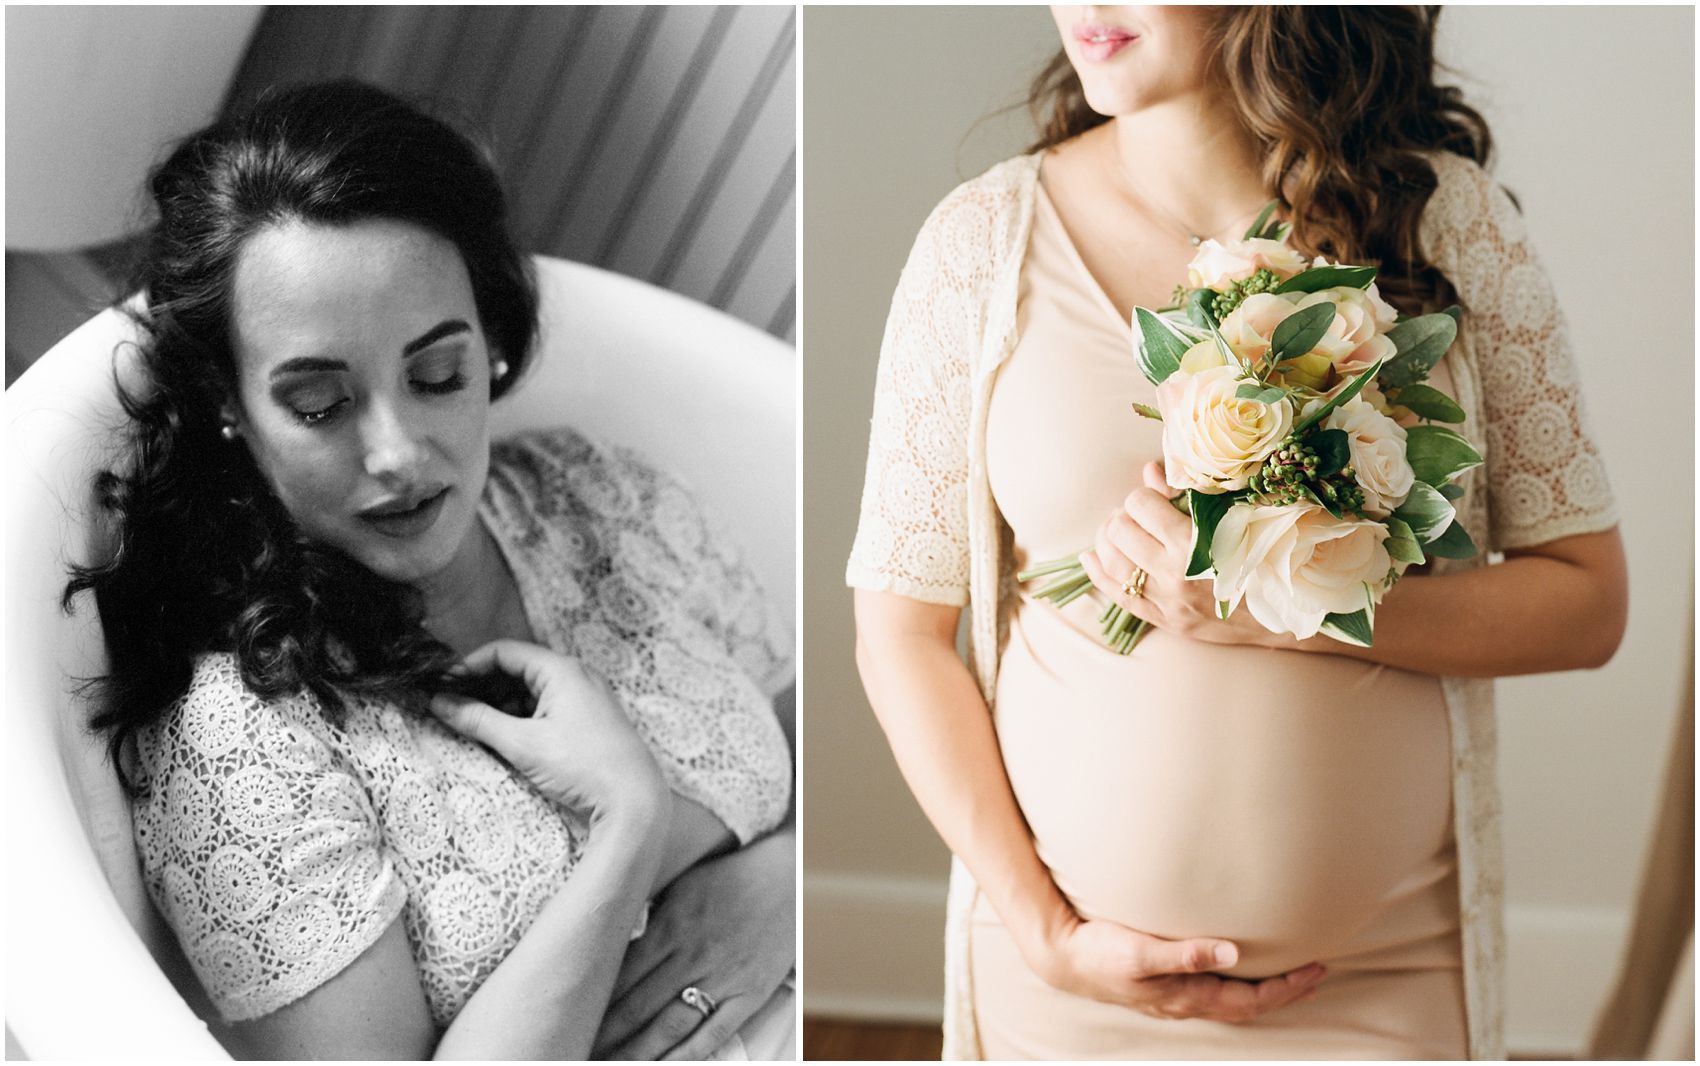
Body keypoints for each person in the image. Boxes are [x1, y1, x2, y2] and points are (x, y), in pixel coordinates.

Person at [847, 6, 1626, 1059]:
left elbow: (1584, 603)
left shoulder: (1446, 225)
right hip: (1070, 986)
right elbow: (897, 631)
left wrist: (1279, 607)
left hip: (1384, 974)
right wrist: (1043, 933)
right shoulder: (978, 244)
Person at [64, 80, 795, 1060]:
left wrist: (781, 882)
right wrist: (626, 824)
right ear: (228, 401)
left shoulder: (597, 494)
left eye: (436, 374)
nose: (399, 451)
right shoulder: (237, 742)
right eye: (321, 402)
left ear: (488, 342)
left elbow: (816, 750)